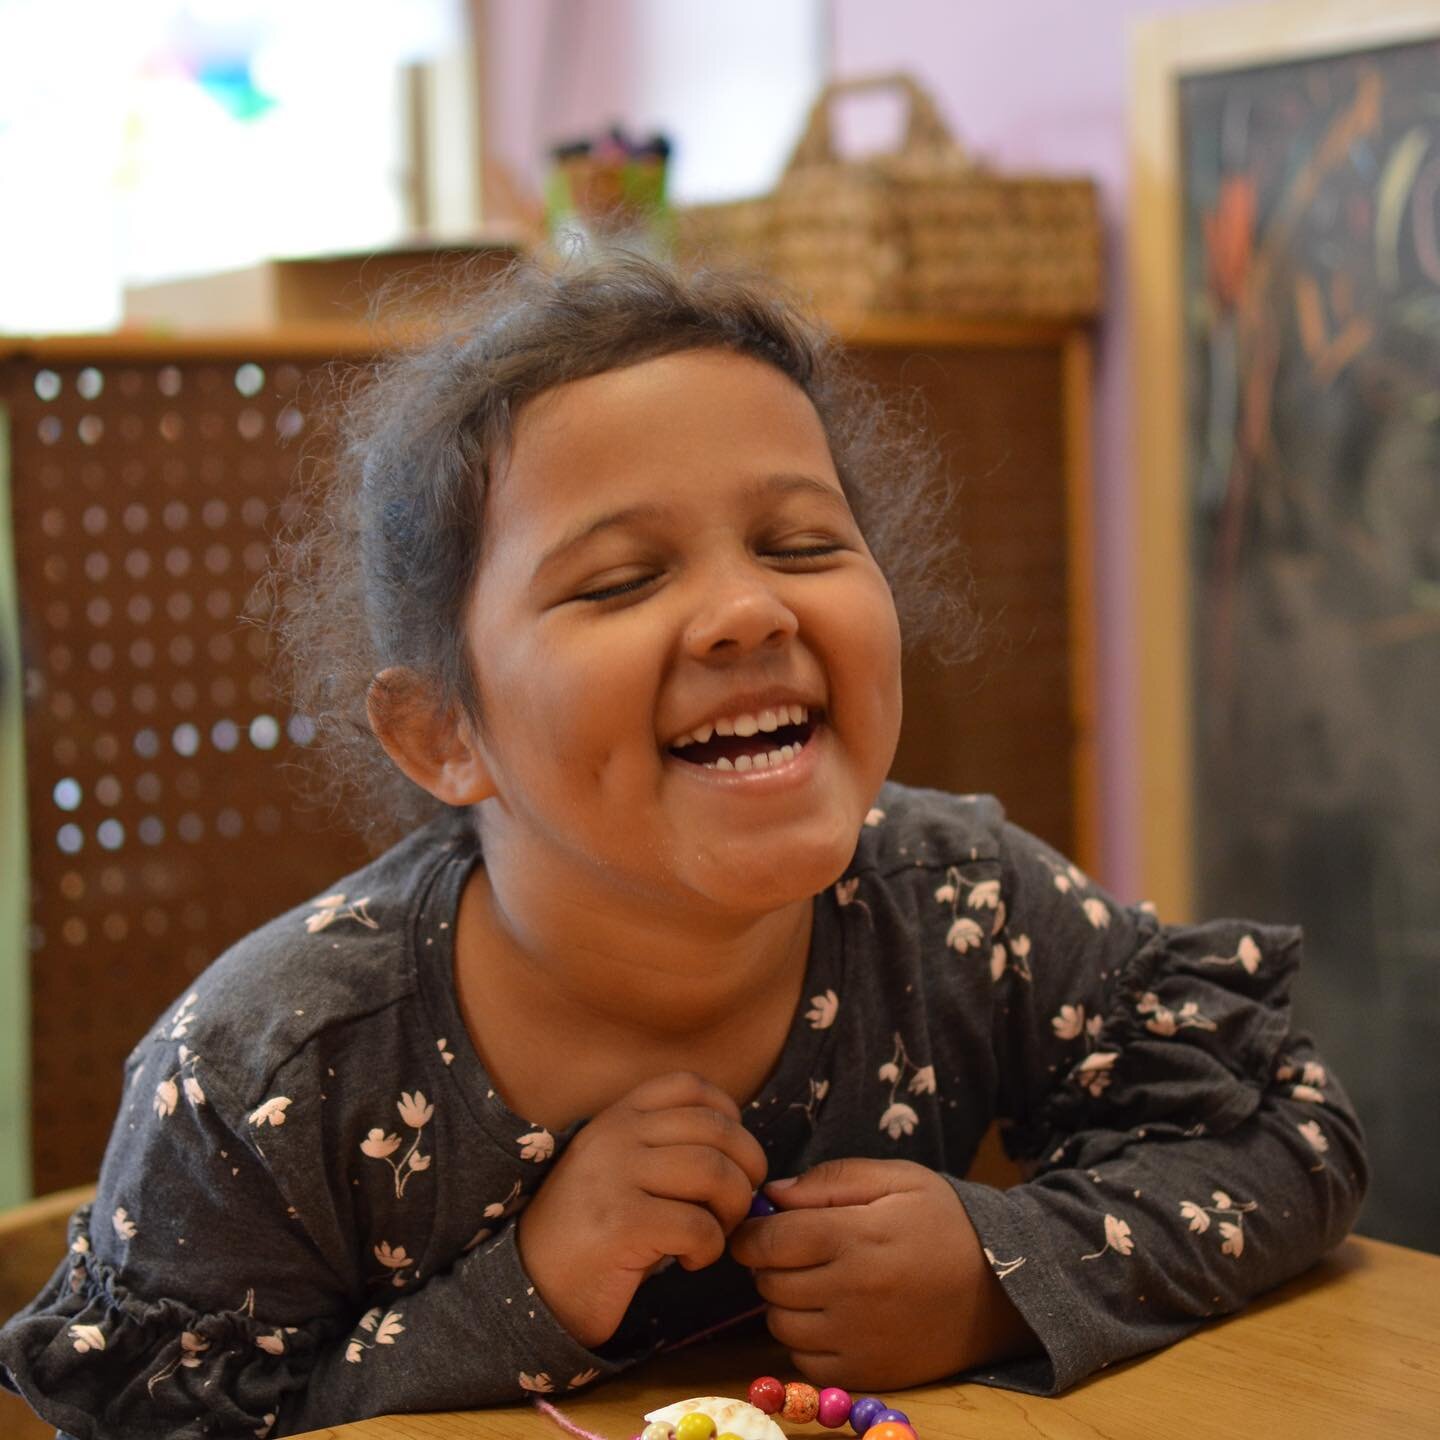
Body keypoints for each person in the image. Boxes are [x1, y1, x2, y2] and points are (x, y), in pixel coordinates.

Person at [0, 254, 1366, 1439]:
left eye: (802, 542)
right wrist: (519, 1298)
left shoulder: (958, 907)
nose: (745, 611)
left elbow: (1291, 1134)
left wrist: (1000, 1264)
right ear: (442, 735)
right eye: (620, 579)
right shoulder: (270, 1079)